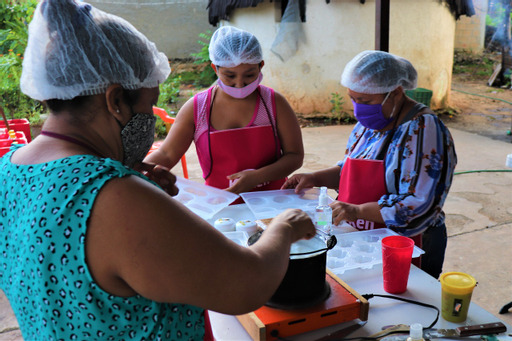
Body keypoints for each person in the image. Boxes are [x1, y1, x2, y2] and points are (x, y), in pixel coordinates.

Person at [0, 1, 316, 340]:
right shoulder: (115, 195)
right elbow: (246, 285)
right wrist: (283, 228)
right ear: (115, 100)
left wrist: (143, 192)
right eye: (149, 104)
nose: (151, 118)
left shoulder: (9, 170)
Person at [282, 50, 457, 279]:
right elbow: (350, 171)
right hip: (365, 235)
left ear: (395, 93)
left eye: (365, 101)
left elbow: (418, 204)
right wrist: (315, 178)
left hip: (410, 242)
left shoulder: (424, 130)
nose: (358, 108)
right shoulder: (370, 123)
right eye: (353, 98)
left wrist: (356, 210)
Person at [144, 26, 304, 195]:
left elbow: (294, 155)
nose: (240, 84)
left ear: (261, 66)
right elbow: (167, 154)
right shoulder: (198, 109)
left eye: (249, 75)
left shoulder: (273, 103)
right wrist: (134, 174)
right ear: (215, 69)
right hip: (220, 204)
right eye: (230, 76)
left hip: (272, 201)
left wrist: (258, 177)